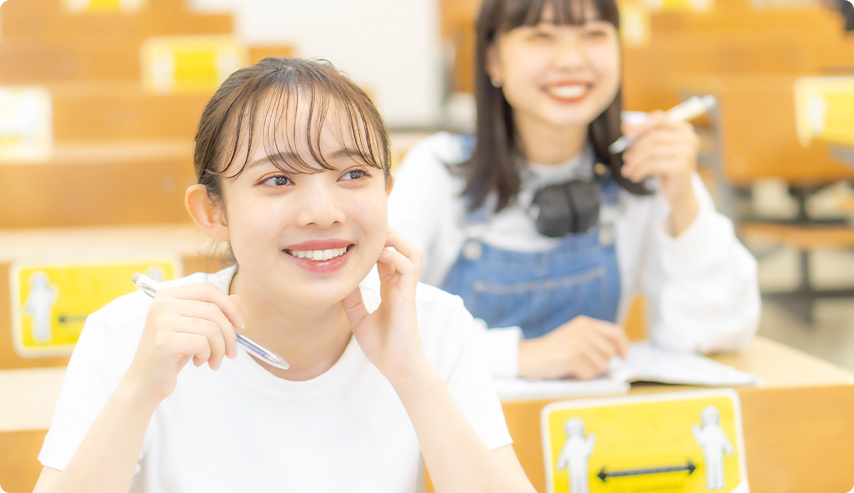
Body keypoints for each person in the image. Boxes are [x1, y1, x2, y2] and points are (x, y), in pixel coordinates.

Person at [33, 58, 535, 493]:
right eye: (278, 179)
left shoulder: (432, 325)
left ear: (387, 190)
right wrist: (138, 392)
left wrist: (412, 375)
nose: (323, 212)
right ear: (213, 212)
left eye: (353, 175)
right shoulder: (131, 336)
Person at [389, 0, 760, 381]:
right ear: (494, 61)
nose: (571, 60)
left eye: (594, 34)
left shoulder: (644, 160)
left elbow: (716, 332)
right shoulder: (437, 169)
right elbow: (377, 322)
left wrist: (684, 200)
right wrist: (520, 355)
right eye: (542, 36)